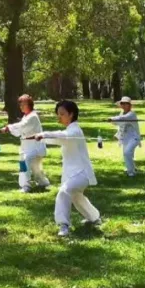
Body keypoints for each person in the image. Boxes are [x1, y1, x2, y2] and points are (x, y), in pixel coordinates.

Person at [35, 100, 100, 237]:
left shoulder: (74, 130)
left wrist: (44, 135)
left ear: (71, 114)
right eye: (58, 114)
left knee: (64, 192)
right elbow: (60, 138)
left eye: (62, 114)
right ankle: (94, 218)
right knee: (77, 198)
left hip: (82, 174)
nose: (59, 117)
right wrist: (43, 138)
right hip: (73, 174)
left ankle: (63, 225)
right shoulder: (70, 130)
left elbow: (63, 136)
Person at [0, 94, 51, 193]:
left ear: (30, 105)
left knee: (25, 162)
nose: (21, 106)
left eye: (23, 104)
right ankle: (43, 182)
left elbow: (22, 126)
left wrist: (9, 127)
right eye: (20, 104)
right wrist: (9, 130)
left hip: (36, 147)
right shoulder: (26, 116)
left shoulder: (33, 117)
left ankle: (26, 186)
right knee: (36, 168)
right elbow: (20, 131)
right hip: (27, 147)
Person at [108, 96, 141, 177]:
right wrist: (117, 134)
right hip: (126, 138)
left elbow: (122, 119)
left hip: (134, 137)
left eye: (126, 104)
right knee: (127, 154)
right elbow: (120, 124)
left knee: (127, 153)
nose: (124, 105)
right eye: (122, 103)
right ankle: (131, 168)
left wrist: (112, 118)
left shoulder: (132, 114)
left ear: (130, 105)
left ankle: (131, 172)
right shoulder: (121, 113)